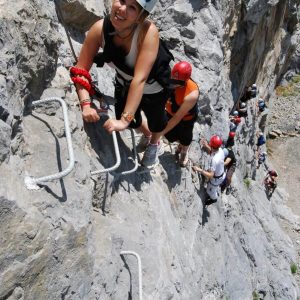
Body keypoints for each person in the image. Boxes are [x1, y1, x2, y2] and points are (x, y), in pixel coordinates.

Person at [71, 0, 172, 167]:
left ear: (140, 17)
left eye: (132, 7)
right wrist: (86, 104)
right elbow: (80, 70)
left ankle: (154, 143)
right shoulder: (100, 29)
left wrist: (124, 121)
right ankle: (147, 135)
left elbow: (140, 79)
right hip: (125, 81)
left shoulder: (147, 32)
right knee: (131, 121)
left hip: (154, 87)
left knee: (156, 121)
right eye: (122, 1)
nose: (122, 9)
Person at [158, 61, 199, 167]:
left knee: (186, 137)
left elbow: (177, 118)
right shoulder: (170, 79)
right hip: (170, 112)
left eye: (177, 82)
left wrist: (159, 133)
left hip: (186, 118)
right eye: (173, 79)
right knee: (170, 135)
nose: (173, 83)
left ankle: (184, 151)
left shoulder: (191, 93)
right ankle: (180, 145)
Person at [193, 135, 226, 205]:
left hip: (216, 179)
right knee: (214, 186)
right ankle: (215, 190)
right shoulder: (220, 150)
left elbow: (211, 175)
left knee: (209, 191)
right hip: (221, 174)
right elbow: (213, 151)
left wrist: (199, 170)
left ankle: (214, 199)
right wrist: (206, 145)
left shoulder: (214, 160)